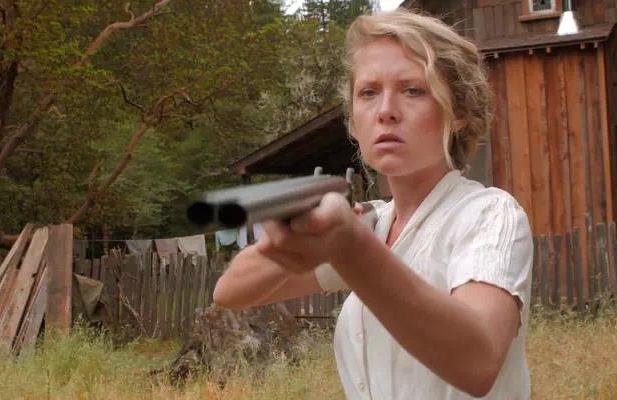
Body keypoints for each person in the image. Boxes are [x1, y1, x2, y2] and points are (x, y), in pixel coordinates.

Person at [213, 8, 532, 400]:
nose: (385, 111)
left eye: (413, 90)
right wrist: (303, 234)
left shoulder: (489, 214)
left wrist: (353, 248)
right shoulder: (373, 224)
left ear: (459, 111)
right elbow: (230, 292)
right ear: (353, 121)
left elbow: (478, 362)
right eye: (368, 93)